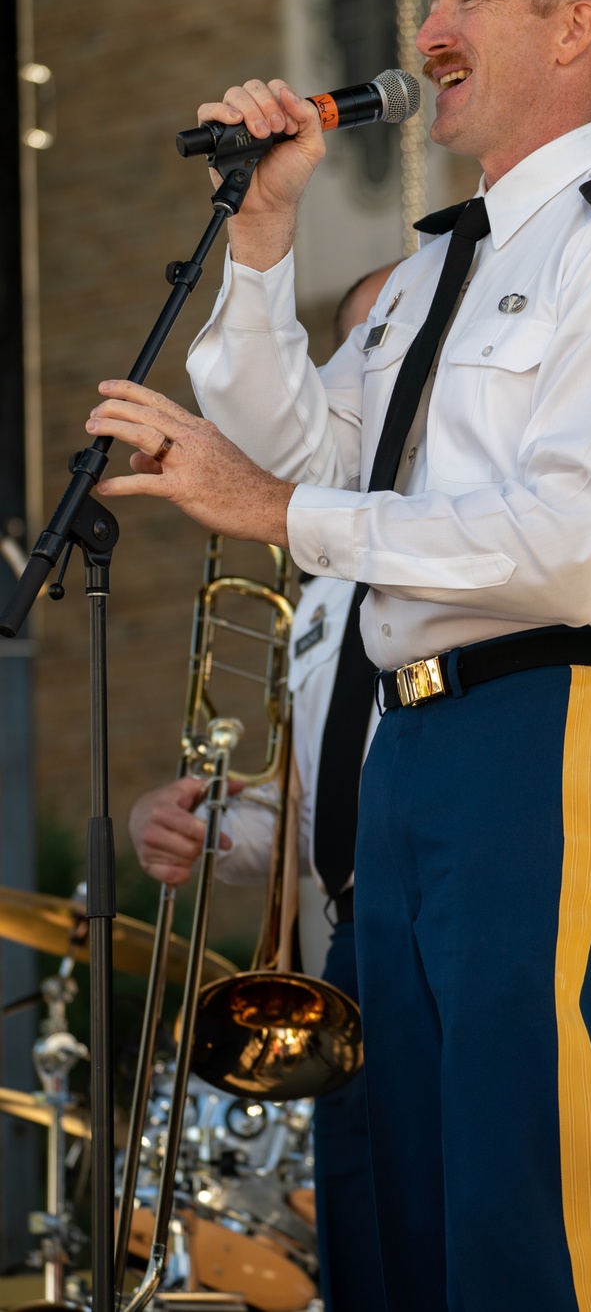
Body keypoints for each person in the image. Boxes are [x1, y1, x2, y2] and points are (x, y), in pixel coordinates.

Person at [89, 0, 591, 1312]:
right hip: (412, 745)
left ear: (573, 28)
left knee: (519, 1191)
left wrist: (270, 507)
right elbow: (304, 459)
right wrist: (263, 246)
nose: (422, 30)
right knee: (394, 1198)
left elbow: (569, 544)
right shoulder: (433, 268)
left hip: (552, 716)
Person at [128, 263, 397, 1312]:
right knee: (366, 1248)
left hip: (450, 932)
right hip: (334, 972)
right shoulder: (319, 592)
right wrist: (201, 830)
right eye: (371, 346)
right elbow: (301, 816)